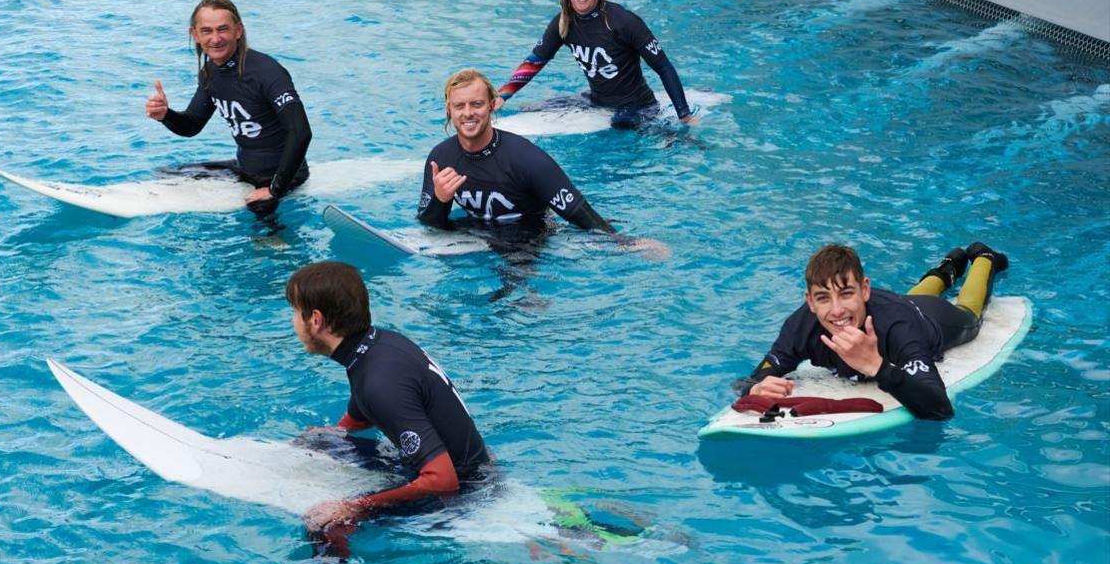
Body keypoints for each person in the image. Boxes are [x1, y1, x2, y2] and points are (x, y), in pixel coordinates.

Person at [286, 261, 491, 533]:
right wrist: (329, 435)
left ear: (315, 319)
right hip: (462, 465)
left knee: (323, 523)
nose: (292, 321)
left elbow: (443, 481)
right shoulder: (377, 346)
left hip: (466, 493)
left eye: (294, 312)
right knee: (319, 443)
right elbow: (361, 412)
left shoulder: (378, 382)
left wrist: (354, 506)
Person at [732, 242, 1010, 420]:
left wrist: (877, 366)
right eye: (823, 298)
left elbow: (940, 408)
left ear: (865, 290)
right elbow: (752, 378)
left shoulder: (898, 329)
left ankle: (984, 257)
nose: (837, 310)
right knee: (908, 298)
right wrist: (755, 387)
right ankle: (949, 266)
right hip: (897, 303)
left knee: (970, 314)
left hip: (929, 318)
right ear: (810, 301)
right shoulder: (801, 325)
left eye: (846, 293)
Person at [418, 68, 669, 259]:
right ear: (449, 110)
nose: (468, 113)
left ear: (492, 106)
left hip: (528, 238)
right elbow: (429, 223)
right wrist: (440, 199)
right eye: (459, 106)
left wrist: (627, 243)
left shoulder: (527, 159)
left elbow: (578, 213)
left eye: (477, 104)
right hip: (474, 230)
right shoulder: (441, 159)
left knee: (516, 297)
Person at [145, 0, 312, 215]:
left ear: (238, 31)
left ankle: (276, 242)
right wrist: (165, 115)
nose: (215, 38)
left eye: (222, 29)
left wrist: (275, 189)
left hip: (280, 175)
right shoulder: (210, 73)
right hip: (244, 167)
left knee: (260, 217)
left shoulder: (266, 72)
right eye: (207, 30)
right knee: (169, 172)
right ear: (194, 35)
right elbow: (192, 125)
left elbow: (301, 132)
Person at [493, 0, 698, 130]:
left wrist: (684, 115)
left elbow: (663, 66)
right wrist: (504, 95)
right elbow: (535, 61)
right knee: (530, 108)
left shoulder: (624, 21)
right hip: (595, 100)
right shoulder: (563, 22)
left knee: (619, 128)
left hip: (637, 105)